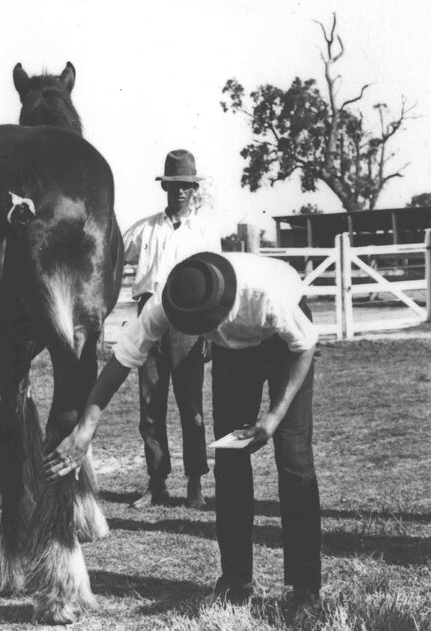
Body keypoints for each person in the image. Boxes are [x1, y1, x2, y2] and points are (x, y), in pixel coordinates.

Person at [42, 251, 322, 607]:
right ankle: (236, 581)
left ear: (221, 311)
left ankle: (305, 587)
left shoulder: (267, 295)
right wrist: (85, 429)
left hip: (286, 349)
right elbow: (122, 361)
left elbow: (305, 346)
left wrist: (274, 416)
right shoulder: (168, 301)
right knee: (230, 460)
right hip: (233, 356)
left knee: (294, 459)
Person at [121, 149, 221, 509]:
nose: (178, 192)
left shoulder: (205, 232)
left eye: (185, 186)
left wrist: (210, 332)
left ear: (194, 189)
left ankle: (195, 483)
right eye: (172, 185)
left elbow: (217, 284)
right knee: (150, 408)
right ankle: (157, 483)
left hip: (188, 324)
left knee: (191, 407)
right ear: (164, 187)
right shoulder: (144, 229)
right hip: (148, 321)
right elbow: (115, 253)